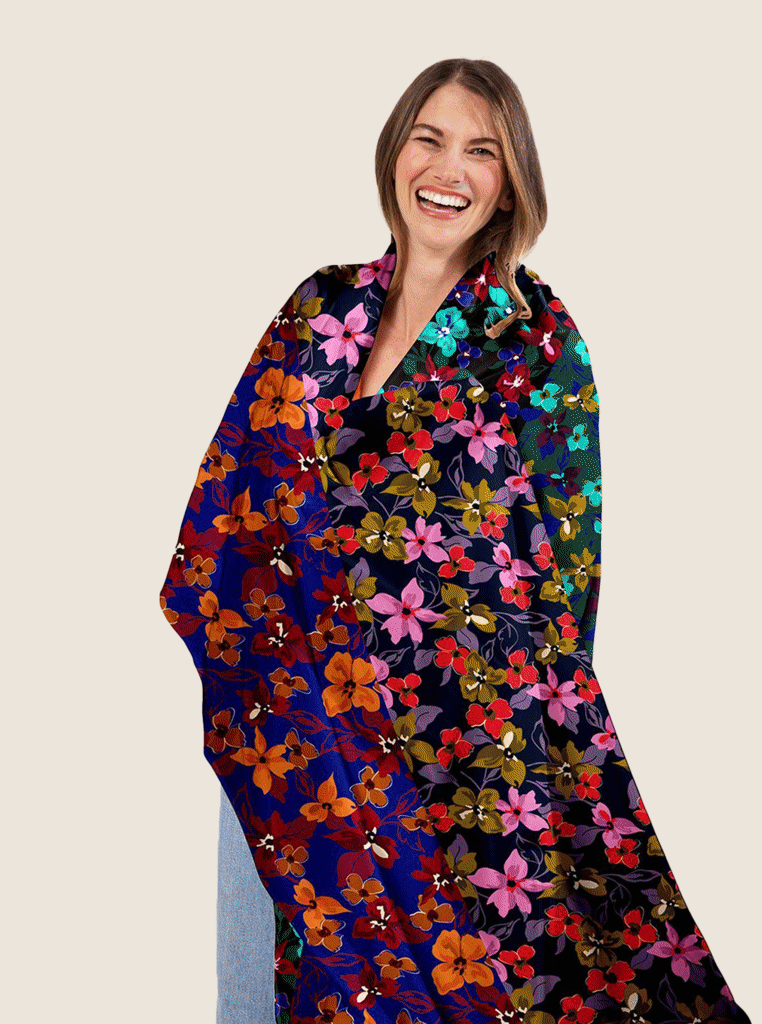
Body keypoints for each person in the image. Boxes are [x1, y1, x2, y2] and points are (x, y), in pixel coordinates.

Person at [160, 59, 750, 1024]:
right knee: (254, 995)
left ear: (510, 184)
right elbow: (237, 496)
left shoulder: (534, 342)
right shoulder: (317, 310)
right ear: (395, 154)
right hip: (279, 716)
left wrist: (518, 762)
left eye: (481, 150)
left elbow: (562, 576)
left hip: (446, 759)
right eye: (428, 138)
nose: (448, 168)